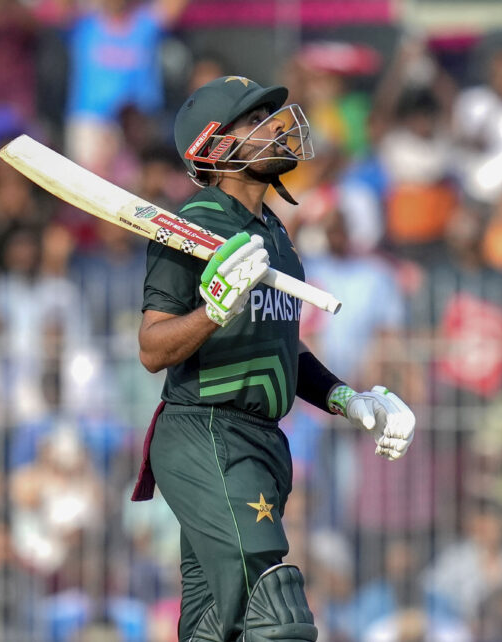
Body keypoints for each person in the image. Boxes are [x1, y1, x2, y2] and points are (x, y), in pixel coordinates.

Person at [128, 75, 416, 642]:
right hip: (208, 431)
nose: (277, 127)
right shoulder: (192, 226)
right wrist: (213, 311)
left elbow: (282, 345)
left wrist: (345, 398)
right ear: (217, 146)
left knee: (214, 628)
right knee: (277, 616)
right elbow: (151, 348)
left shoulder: (275, 232)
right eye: (255, 120)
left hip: (262, 442)